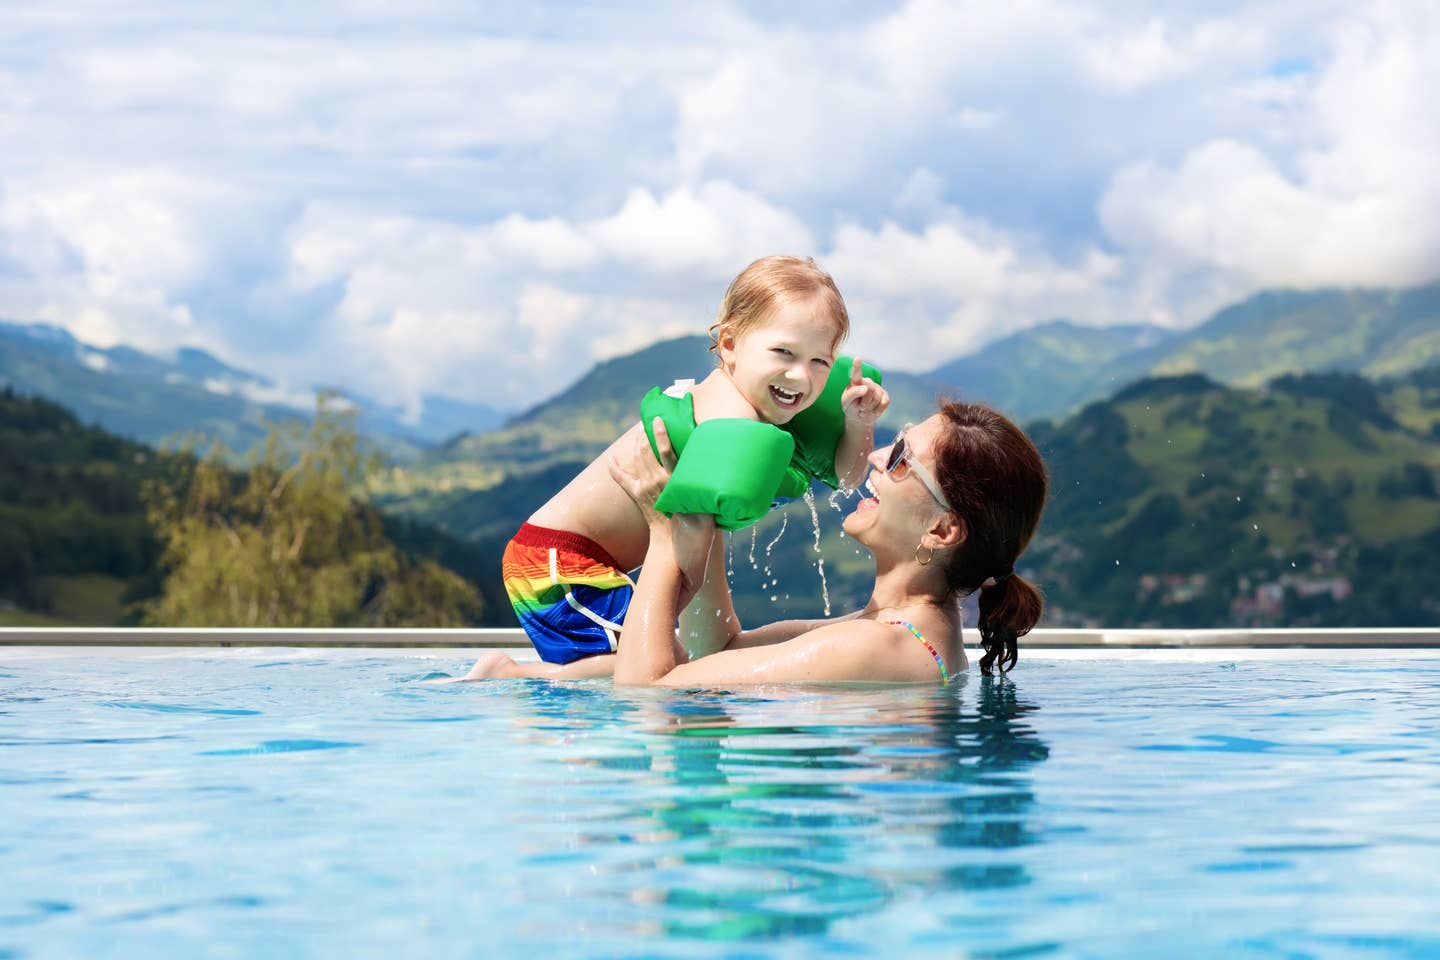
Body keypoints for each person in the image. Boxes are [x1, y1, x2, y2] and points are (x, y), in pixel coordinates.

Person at [464, 400, 1047, 684]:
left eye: (899, 460)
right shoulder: (894, 636)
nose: (871, 456)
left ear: (941, 531)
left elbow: (646, 695)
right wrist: (713, 510)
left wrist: (664, 531)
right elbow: (720, 645)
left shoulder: (879, 649)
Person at [503, 255, 889, 674]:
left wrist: (857, 422)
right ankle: (514, 675)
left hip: (578, 559)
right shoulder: (728, 418)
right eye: (784, 352)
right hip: (560, 564)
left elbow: (846, 477)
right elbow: (691, 540)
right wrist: (675, 617)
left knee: (689, 658)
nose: (801, 376)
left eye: (820, 361)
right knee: (661, 665)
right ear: (729, 344)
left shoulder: (768, 407)